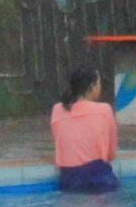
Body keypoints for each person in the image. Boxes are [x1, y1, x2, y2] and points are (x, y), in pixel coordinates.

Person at [49, 62, 120, 193]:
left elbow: (61, 144)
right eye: (99, 83)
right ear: (92, 86)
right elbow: (110, 154)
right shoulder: (104, 110)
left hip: (69, 179)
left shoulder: (57, 110)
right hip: (98, 177)